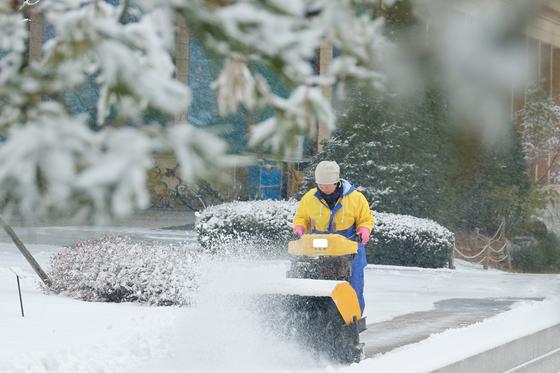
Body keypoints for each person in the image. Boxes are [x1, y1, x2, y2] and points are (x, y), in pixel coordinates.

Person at [292, 160, 374, 313]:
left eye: (327, 185)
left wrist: (363, 230)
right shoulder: (310, 198)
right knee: (314, 284)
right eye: (320, 184)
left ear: (336, 182)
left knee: (353, 286)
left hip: (349, 248)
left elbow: (366, 219)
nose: (323, 188)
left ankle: (353, 319)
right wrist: (299, 227)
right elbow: (301, 217)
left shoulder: (356, 198)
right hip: (319, 248)